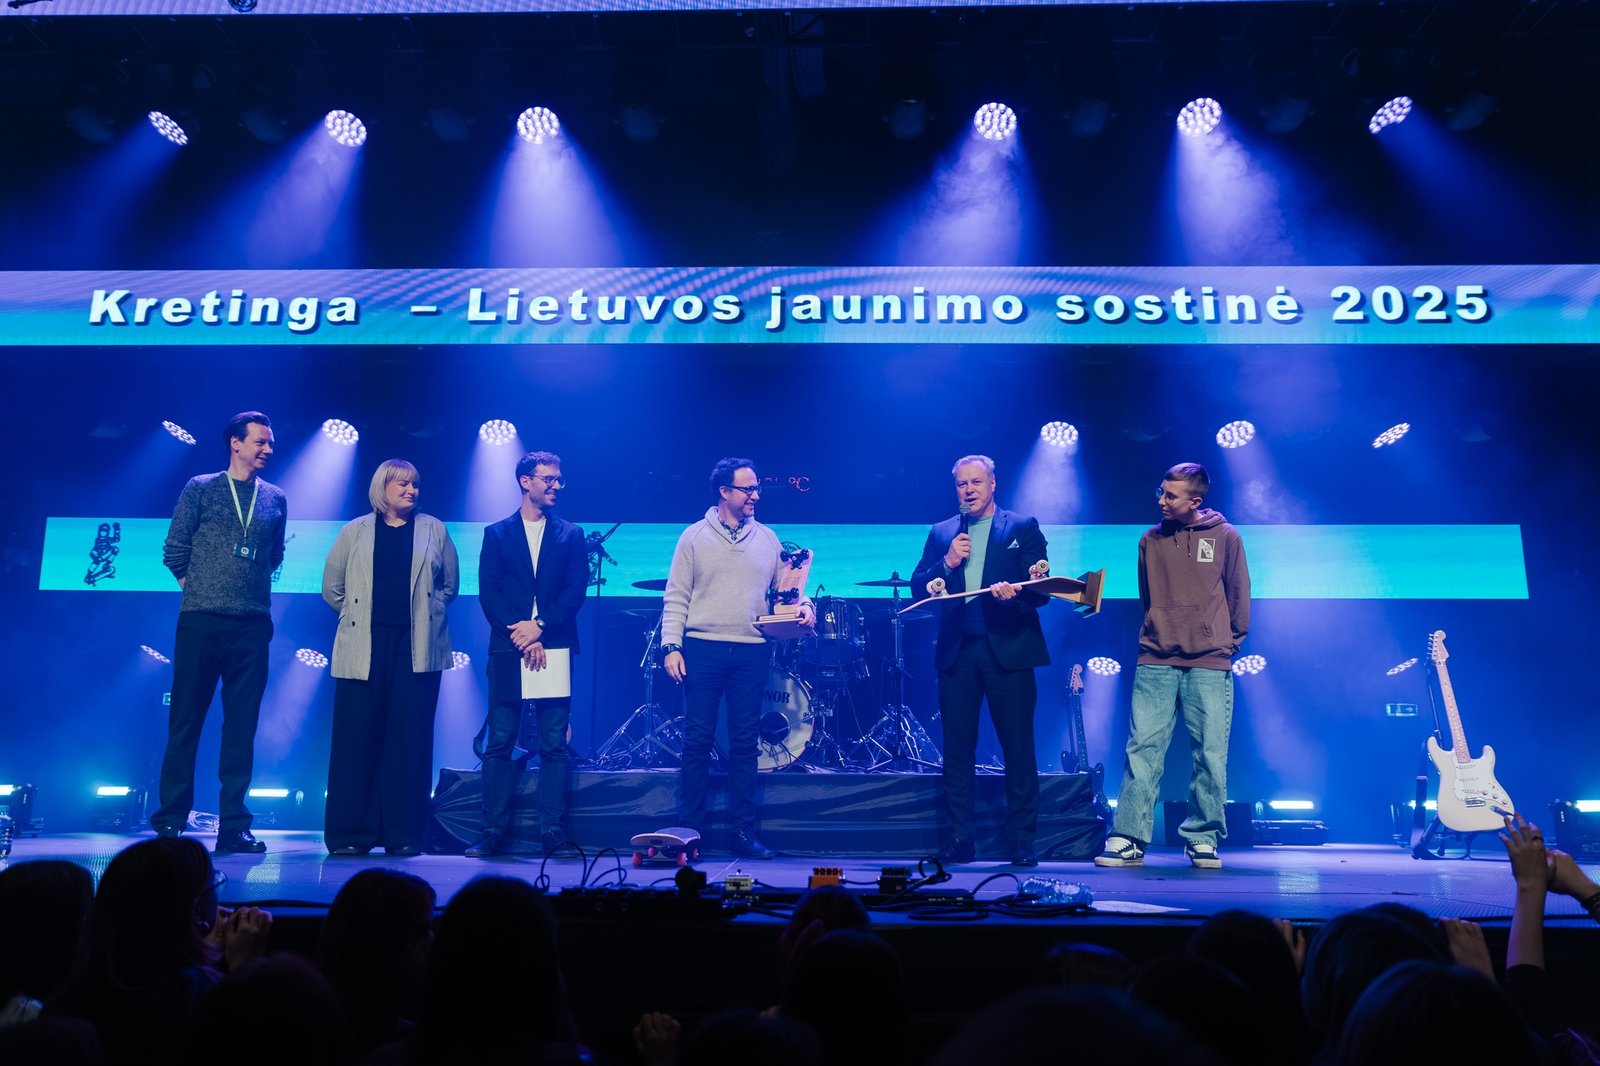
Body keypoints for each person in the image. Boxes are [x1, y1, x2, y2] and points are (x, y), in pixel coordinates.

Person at [1097, 462, 1249, 871]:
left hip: (1210, 661)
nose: (1162, 500)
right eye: (1160, 492)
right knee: (1142, 749)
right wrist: (1157, 630)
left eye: (1171, 495)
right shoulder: (1150, 540)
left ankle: (1202, 837)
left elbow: (1239, 593)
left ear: (1195, 500)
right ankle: (1129, 837)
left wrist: (1227, 643)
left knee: (1210, 753)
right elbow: (1148, 598)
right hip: (1156, 659)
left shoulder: (1225, 536)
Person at [661, 457, 814, 860]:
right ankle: (689, 830)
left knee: (746, 743)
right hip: (703, 648)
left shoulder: (768, 539)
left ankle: (742, 831)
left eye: (756, 488)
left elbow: (786, 592)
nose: (756, 495)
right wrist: (671, 645)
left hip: (751, 650)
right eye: (748, 489)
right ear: (724, 491)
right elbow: (676, 595)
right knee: (697, 740)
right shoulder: (693, 537)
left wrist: (805, 607)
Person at [151, 412, 287, 854]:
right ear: (235, 443)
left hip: (252, 625)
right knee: (186, 721)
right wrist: (201, 589)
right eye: (260, 442)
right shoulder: (201, 487)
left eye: (270, 443)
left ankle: (234, 826)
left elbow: (274, 554)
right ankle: (171, 819)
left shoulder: (275, 497)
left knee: (241, 727)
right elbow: (175, 549)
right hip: (201, 620)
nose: (268, 449)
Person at [910, 454, 1050, 867]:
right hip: (958, 652)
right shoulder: (942, 532)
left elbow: (1041, 589)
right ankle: (960, 839)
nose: (968, 490)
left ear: (992, 484)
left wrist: (1016, 596)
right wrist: (947, 562)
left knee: (1017, 747)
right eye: (961, 484)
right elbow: (919, 585)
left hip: (1009, 648)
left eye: (976, 482)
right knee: (957, 749)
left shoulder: (1021, 526)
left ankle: (1021, 841)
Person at [321, 459, 459, 857]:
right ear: (382, 488)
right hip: (363, 644)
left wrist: (427, 612)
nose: (412, 490)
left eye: (415, 484)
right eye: (403, 484)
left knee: (410, 741)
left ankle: (404, 834)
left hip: (416, 646)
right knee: (356, 740)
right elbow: (332, 588)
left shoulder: (434, 528)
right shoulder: (354, 530)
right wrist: (358, 615)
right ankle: (351, 833)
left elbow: (449, 585)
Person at [468, 450, 589, 858]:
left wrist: (540, 627)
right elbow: (490, 592)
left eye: (558, 479)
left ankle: (552, 831)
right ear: (525, 481)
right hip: (509, 646)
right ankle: (493, 831)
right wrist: (522, 634)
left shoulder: (571, 535)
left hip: (553, 643)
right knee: (501, 739)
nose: (556, 486)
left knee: (554, 743)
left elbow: (575, 592)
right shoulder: (497, 534)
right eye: (548, 479)